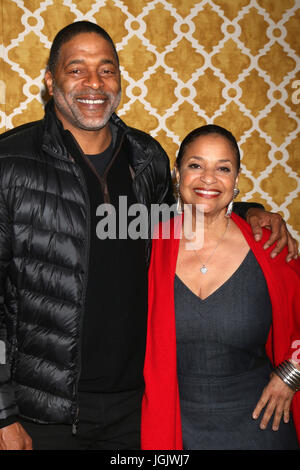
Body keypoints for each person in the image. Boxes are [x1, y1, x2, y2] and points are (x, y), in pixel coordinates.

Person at [0, 22, 297, 451]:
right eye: (76, 69)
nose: (93, 83)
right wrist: (3, 414)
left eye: (106, 70)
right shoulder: (11, 164)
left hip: (135, 409)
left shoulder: (146, 159)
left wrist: (251, 212)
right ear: (50, 81)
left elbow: (188, 217)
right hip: (44, 414)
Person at [141, 125, 300, 450]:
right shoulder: (148, 245)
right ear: (177, 173)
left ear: (237, 179)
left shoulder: (270, 246)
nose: (208, 179)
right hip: (172, 426)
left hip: (261, 426)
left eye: (223, 168)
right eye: (196, 165)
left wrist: (291, 375)